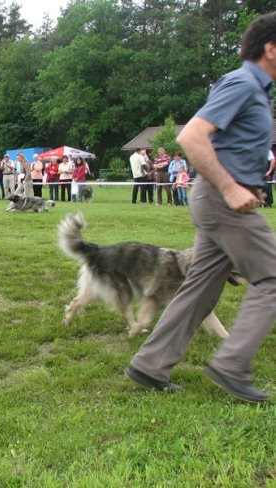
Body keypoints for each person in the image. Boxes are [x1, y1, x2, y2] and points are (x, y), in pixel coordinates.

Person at [125, 13, 276, 404]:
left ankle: (150, 364)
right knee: (272, 278)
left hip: (221, 201)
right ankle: (232, 365)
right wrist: (231, 188)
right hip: (223, 201)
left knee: (199, 289)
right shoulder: (243, 83)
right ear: (271, 48)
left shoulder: (255, 90)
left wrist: (250, 184)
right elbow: (191, 136)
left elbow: (232, 146)